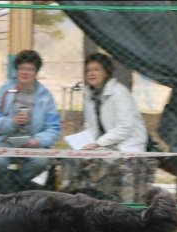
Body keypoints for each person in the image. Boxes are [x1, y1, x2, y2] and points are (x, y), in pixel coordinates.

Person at [62, 52, 153, 202]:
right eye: (88, 70)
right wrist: (81, 143)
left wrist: (98, 143)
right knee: (71, 158)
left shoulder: (119, 92)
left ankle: (100, 201)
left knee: (98, 163)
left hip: (126, 146)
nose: (91, 73)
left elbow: (125, 127)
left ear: (106, 72)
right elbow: (91, 127)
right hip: (104, 146)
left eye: (96, 69)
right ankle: (72, 200)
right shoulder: (89, 94)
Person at [0, 50, 61, 194]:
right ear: (16, 70)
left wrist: (37, 141)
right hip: (4, 140)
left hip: (31, 144)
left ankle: (7, 188)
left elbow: (54, 129)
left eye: (30, 69)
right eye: (21, 68)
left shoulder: (45, 96)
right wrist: (12, 122)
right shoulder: (5, 90)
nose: (25, 72)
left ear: (36, 72)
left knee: (41, 161)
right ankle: (12, 195)